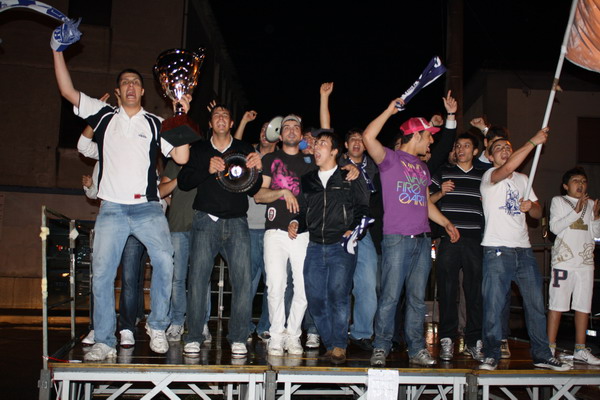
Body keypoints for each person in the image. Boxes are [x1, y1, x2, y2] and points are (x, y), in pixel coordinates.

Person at [52, 43, 191, 361]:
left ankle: (157, 326)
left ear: (142, 91)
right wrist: (57, 50)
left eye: (135, 83)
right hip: (111, 209)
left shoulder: (156, 122)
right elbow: (67, 90)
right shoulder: (103, 116)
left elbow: (182, 157)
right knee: (102, 274)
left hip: (148, 208)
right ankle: (104, 340)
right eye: (125, 82)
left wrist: (181, 115)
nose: (130, 86)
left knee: (165, 260)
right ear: (118, 91)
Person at [362, 94, 460, 367]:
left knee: (417, 299)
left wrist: (446, 223)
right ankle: (381, 346)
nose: (431, 141)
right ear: (415, 135)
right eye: (428, 136)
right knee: (390, 297)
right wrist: (388, 110)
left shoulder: (422, 168)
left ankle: (416, 349)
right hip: (397, 239)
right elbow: (368, 137)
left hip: (422, 240)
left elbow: (425, 203)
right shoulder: (390, 159)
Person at [478, 129, 570, 371]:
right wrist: (533, 141)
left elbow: (538, 213)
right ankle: (491, 353)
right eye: (498, 148)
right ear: (490, 157)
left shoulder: (523, 179)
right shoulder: (489, 176)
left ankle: (542, 354)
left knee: (536, 304)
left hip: (524, 251)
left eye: (508, 147)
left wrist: (531, 207)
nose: (504, 150)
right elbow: (507, 168)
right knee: (494, 305)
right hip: (497, 249)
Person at [177, 104, 263, 358]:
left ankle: (238, 337)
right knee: (197, 280)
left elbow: (253, 188)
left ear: (232, 123)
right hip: (206, 220)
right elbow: (183, 182)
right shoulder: (200, 149)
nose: (221, 118)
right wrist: (206, 169)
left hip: (237, 222)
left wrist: (257, 169)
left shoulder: (244, 149)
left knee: (243, 282)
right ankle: (194, 336)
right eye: (217, 115)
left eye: (226, 115)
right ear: (211, 123)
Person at [293, 131, 369, 364]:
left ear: (335, 151)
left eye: (323, 143)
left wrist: (354, 230)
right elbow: (304, 212)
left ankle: (339, 346)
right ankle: (331, 343)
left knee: (338, 296)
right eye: (316, 144)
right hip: (315, 246)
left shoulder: (350, 176)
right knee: (315, 298)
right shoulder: (308, 179)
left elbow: (363, 209)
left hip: (341, 246)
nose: (316, 147)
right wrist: (296, 222)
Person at [319, 81, 379, 351]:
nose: (356, 143)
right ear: (344, 145)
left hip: (363, 232)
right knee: (335, 286)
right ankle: (333, 334)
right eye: (352, 140)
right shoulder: (336, 163)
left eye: (360, 140)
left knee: (368, 284)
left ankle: (362, 333)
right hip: (336, 230)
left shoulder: (374, 167)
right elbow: (325, 132)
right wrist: (325, 98)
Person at [254, 114, 315, 356]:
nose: (290, 130)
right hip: (275, 231)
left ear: (301, 134)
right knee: (275, 285)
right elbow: (259, 195)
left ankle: (293, 335)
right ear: (279, 136)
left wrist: (299, 220)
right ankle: (276, 335)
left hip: (302, 232)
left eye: (295, 127)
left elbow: (314, 200)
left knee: (303, 287)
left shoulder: (310, 162)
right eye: (286, 127)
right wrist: (282, 192)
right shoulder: (270, 158)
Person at [430, 132, 485, 362]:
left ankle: (474, 341)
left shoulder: (484, 175)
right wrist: (441, 191)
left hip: (475, 240)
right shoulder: (443, 171)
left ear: (475, 151)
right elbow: (424, 201)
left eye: (466, 146)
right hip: (449, 238)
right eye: (458, 146)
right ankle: (446, 340)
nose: (461, 149)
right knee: (447, 290)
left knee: (474, 293)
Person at [547, 166, 600, 365]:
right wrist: (576, 211)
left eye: (584, 181)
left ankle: (580, 349)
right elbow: (554, 228)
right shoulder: (558, 201)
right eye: (576, 181)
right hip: (563, 262)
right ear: (565, 185)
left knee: (583, 306)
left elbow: (596, 235)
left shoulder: (592, 204)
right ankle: (549, 347)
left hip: (585, 264)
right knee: (557, 305)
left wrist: (597, 218)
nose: (580, 185)